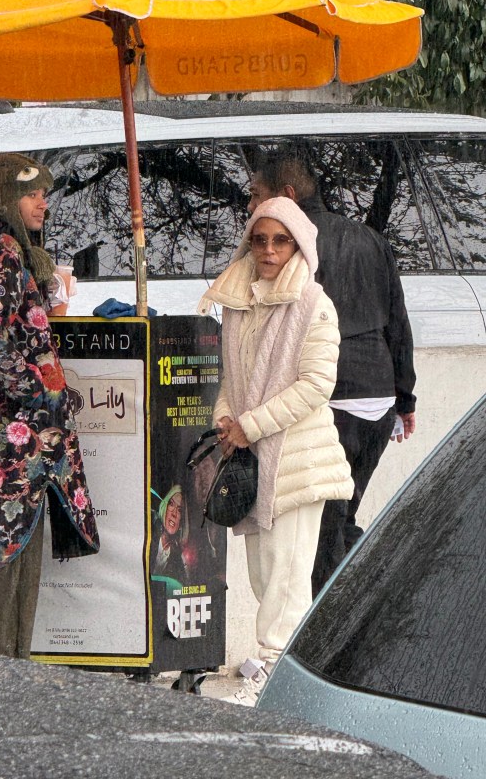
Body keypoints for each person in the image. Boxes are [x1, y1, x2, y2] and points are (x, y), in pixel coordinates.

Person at [0, 152, 100, 659]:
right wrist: (39, 393)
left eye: (44, 194)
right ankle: (3, 702)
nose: (43, 205)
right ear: (4, 198)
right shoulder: (4, 251)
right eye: (32, 194)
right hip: (9, 454)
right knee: (9, 587)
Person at [198, 197, 353, 704]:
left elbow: (315, 386)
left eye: (279, 240)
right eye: (260, 239)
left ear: (298, 245)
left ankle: (272, 672)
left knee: (286, 575)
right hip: (253, 460)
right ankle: (279, 669)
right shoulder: (240, 299)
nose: (268, 250)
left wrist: (251, 425)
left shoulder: (314, 304)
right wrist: (225, 416)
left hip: (297, 461)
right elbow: (233, 380)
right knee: (265, 574)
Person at [249, 155, 416, 595]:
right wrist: (405, 398)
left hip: (327, 399)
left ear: (285, 197)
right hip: (377, 398)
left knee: (325, 526)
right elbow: (398, 322)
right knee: (342, 514)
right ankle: (367, 597)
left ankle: (342, 619)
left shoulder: (289, 247)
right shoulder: (371, 239)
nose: (251, 210)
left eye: (256, 195)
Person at [150, 484, 189, 585]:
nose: (174, 513)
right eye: (171, 504)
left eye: (180, 510)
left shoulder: (179, 559)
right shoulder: (150, 532)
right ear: (165, 506)